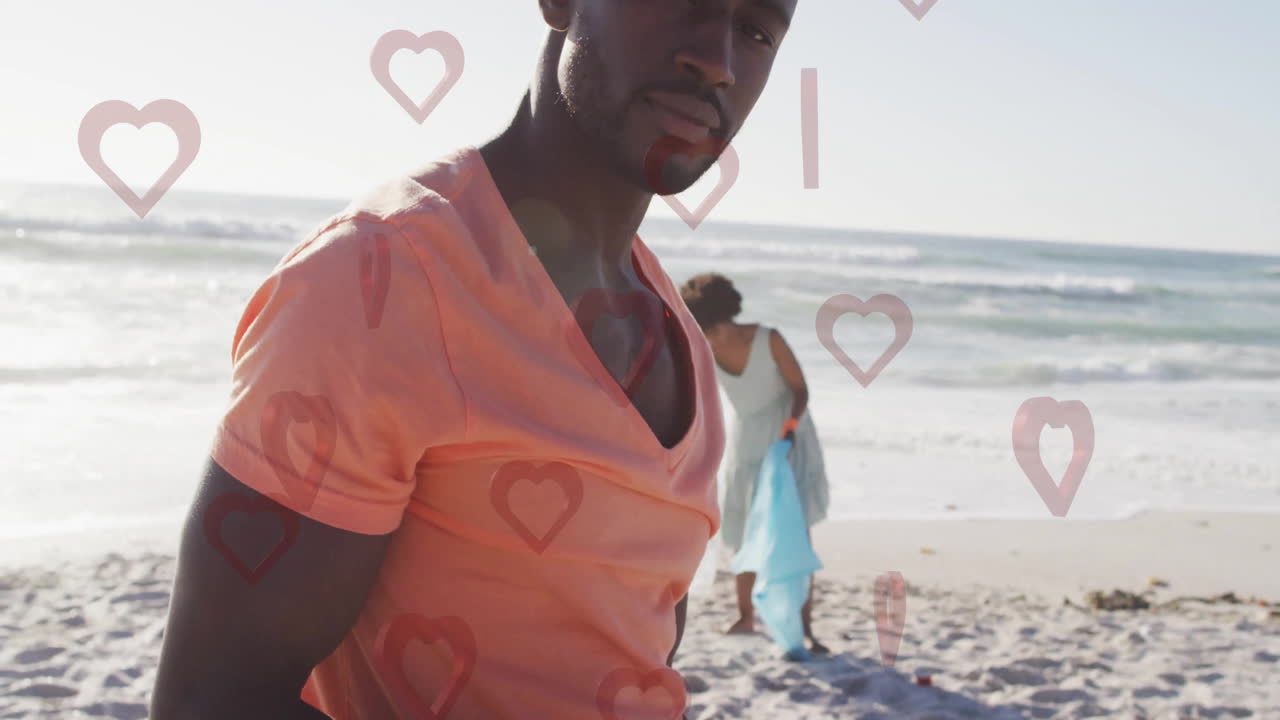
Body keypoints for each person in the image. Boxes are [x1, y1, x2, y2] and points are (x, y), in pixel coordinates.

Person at [149, 2, 800, 719]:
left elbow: (633, 657)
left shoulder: (681, 338)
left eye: (757, 30)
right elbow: (210, 702)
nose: (718, 61)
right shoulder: (381, 281)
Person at [679, 272, 830, 655]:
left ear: (723, 320)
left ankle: (805, 627)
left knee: (794, 531)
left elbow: (801, 390)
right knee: (742, 527)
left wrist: (790, 429)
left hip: (787, 437)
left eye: (711, 329)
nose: (709, 338)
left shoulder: (768, 339)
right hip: (746, 439)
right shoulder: (705, 347)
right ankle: (745, 616)